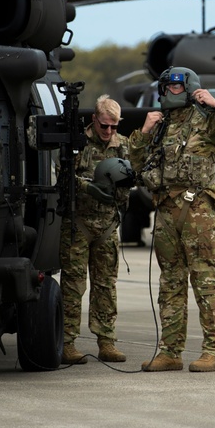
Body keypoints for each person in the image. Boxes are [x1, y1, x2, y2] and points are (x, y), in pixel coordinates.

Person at [129, 67, 215, 373]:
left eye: (176, 87)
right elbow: (134, 164)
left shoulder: (208, 121)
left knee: (205, 278)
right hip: (166, 210)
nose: (171, 92)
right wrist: (143, 132)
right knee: (169, 281)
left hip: (197, 209)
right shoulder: (160, 125)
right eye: (167, 87)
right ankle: (170, 351)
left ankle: (214, 350)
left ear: (189, 88)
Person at [59, 95, 131, 365]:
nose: (109, 132)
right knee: (73, 286)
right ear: (94, 120)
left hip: (107, 226)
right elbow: (61, 174)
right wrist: (87, 187)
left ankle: (107, 341)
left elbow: (130, 177)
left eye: (114, 126)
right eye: (104, 126)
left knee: (105, 287)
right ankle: (67, 342)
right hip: (78, 225)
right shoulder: (76, 145)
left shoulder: (121, 146)